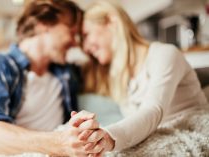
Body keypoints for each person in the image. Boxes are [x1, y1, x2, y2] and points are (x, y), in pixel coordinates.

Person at [0, 1, 107, 156]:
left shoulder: (67, 74)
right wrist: (61, 142)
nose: (74, 43)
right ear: (44, 24)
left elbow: (107, 61)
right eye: (71, 32)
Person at [73, 0, 209, 153]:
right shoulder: (118, 77)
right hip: (158, 138)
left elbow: (153, 110)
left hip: (191, 131)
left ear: (111, 21)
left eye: (86, 35)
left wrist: (109, 137)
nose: (85, 48)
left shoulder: (164, 54)